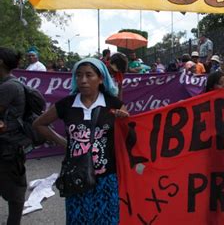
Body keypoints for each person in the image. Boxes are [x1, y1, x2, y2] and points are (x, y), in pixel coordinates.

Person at [33, 58, 129, 225]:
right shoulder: (67, 104)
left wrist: (124, 122)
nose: (83, 80)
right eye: (78, 75)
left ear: (100, 79)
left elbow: (130, 139)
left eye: (89, 75)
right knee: (78, 220)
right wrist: (65, 143)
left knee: (107, 220)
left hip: (106, 180)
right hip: (75, 177)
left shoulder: (113, 104)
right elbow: (39, 124)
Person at [0, 47, 28, 225]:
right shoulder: (7, 83)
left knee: (15, 195)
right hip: (7, 146)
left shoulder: (9, 86)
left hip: (8, 148)